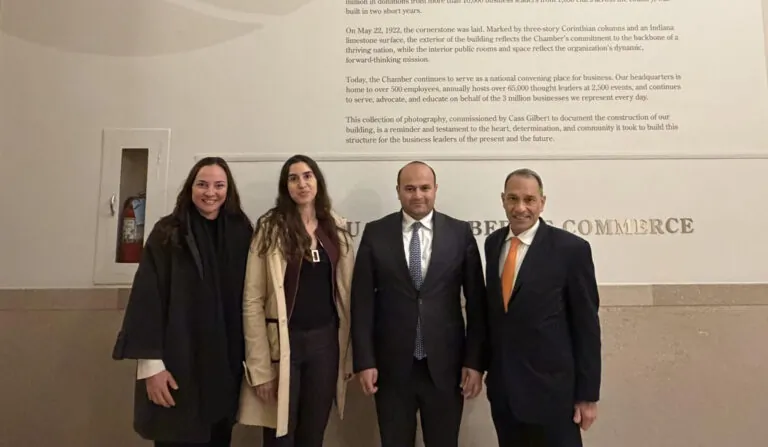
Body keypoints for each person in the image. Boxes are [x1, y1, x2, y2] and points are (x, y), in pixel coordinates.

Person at [112, 157, 254, 446]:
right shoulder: (167, 233)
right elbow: (146, 299)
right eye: (202, 184)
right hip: (177, 364)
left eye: (219, 185)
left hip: (223, 367)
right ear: (190, 187)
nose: (210, 192)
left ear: (228, 190)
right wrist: (151, 367)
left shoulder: (241, 232)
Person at [350, 161, 487, 447]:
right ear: (398, 191)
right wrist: (365, 360)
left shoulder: (459, 233)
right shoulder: (376, 233)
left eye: (425, 188)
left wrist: (474, 362)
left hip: (447, 368)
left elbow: (477, 305)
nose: (418, 195)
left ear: (436, 189)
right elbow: (362, 302)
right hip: (391, 368)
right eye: (409, 188)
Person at [237, 154, 356, 447]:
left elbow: (347, 295)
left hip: (325, 345)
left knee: (312, 434)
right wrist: (260, 369)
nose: (301, 184)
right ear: (285, 187)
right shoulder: (270, 228)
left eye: (307, 176)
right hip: (283, 344)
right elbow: (252, 299)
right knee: (280, 436)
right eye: (293, 178)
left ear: (317, 182)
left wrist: (348, 357)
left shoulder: (335, 227)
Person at [483, 168, 602, 447]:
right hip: (505, 395)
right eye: (513, 198)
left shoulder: (571, 249)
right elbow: (496, 317)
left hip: (553, 396)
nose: (520, 208)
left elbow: (586, 326)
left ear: (542, 202)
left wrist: (587, 396)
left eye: (529, 199)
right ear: (503, 200)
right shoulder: (492, 244)